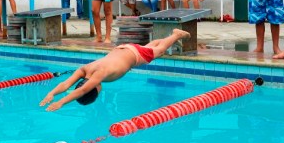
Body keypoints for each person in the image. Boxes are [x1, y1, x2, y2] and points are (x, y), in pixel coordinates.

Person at [39, 29, 191, 111]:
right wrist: (51, 93)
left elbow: (82, 90)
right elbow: (66, 84)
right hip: (124, 49)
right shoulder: (85, 69)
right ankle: (167, 37)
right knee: (151, 48)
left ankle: (176, 35)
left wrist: (62, 102)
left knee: (160, 51)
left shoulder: (98, 76)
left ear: (95, 90)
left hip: (134, 55)